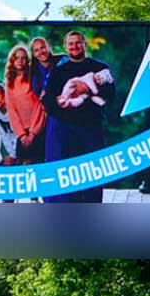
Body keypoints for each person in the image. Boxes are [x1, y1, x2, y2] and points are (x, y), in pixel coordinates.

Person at [44, 30, 117, 203]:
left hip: (91, 129)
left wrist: (88, 89)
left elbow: (111, 93)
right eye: (71, 43)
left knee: (93, 174)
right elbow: (48, 101)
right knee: (69, 176)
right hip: (66, 132)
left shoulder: (99, 67)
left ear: (84, 44)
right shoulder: (58, 71)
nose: (74, 46)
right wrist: (63, 103)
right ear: (65, 47)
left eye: (78, 42)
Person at [2, 42, 48, 165]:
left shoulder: (34, 78)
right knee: (22, 165)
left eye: (23, 58)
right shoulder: (9, 83)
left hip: (38, 130)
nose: (20, 61)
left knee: (39, 164)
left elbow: (39, 106)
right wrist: (22, 135)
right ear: (12, 60)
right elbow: (12, 111)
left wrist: (32, 133)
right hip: (22, 133)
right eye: (17, 58)